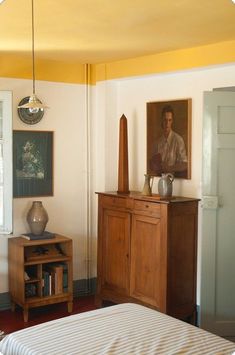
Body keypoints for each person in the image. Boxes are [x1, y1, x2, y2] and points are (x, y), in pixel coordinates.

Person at [150, 105, 187, 176]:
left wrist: (170, 168)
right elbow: (152, 165)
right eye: (165, 120)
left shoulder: (178, 140)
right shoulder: (156, 143)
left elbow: (185, 164)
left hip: (175, 180)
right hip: (159, 179)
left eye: (169, 120)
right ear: (162, 120)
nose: (167, 123)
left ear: (172, 121)